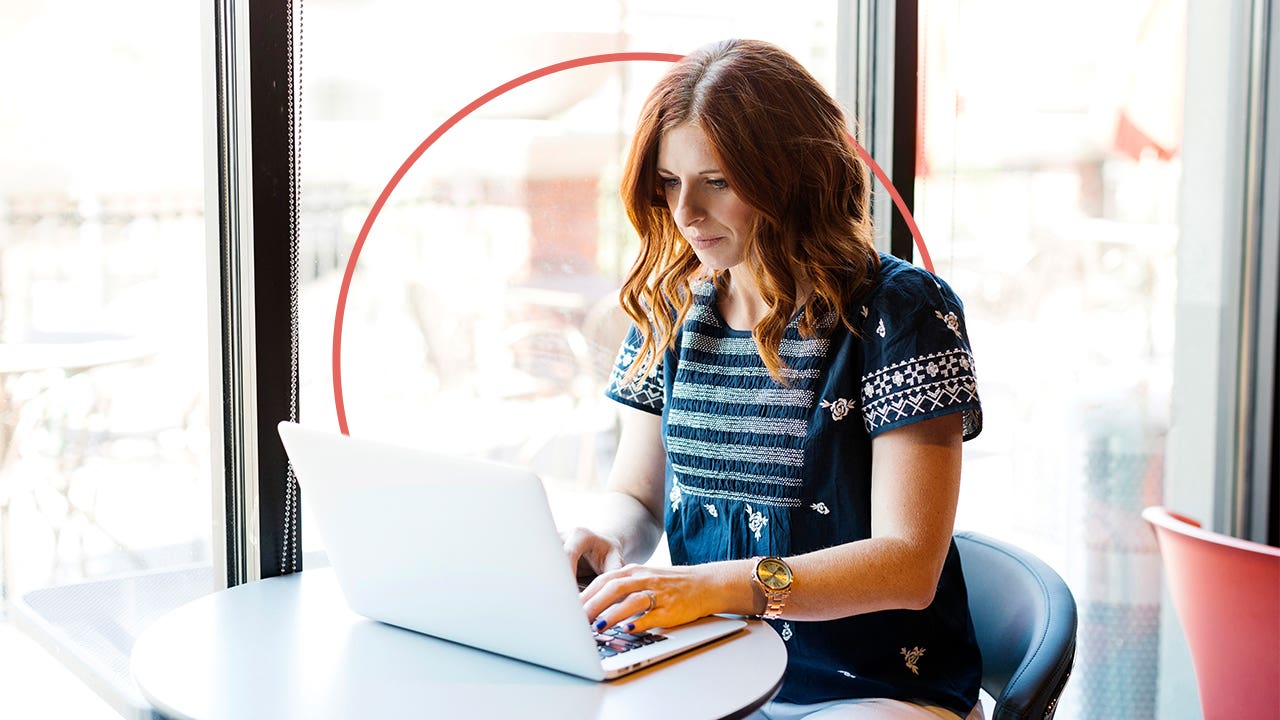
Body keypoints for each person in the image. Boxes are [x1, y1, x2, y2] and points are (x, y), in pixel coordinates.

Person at [562, 38, 985, 720]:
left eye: (717, 181)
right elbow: (636, 499)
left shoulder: (902, 312)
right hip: (707, 667)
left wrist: (722, 587)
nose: (685, 213)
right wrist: (601, 538)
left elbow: (909, 567)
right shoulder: (671, 307)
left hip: (874, 689)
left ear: (793, 173)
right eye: (669, 183)